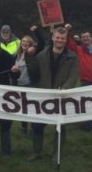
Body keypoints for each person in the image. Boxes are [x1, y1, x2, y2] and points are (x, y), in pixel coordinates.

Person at [25, 27, 79, 161]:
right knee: (37, 125)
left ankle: (57, 153)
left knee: (60, 127)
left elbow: (73, 76)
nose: (60, 40)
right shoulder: (41, 55)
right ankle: (36, 151)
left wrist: (64, 89)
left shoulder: (72, 57)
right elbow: (34, 74)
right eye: (57, 37)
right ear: (53, 38)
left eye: (62, 38)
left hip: (62, 96)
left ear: (66, 40)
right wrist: (28, 57)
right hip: (44, 96)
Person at [65, 27, 92, 131]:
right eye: (83, 37)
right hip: (86, 82)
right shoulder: (79, 50)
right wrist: (67, 31)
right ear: (81, 39)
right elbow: (68, 44)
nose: (85, 39)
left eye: (87, 37)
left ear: (91, 38)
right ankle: (88, 126)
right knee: (87, 105)